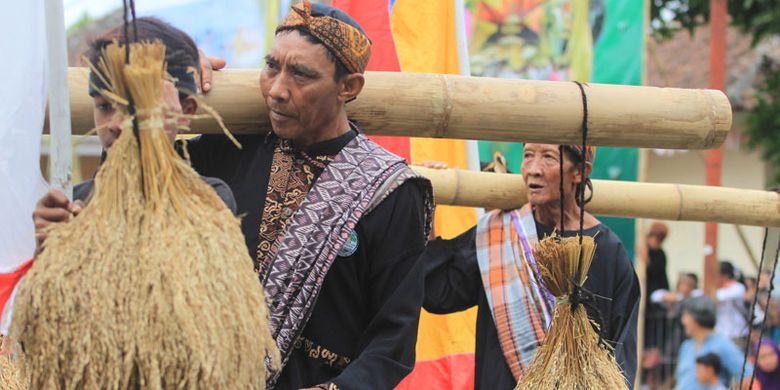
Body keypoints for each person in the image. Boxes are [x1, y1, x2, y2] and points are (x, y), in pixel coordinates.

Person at [184, 2, 434, 388]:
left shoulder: (391, 192)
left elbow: (392, 343)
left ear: (348, 87)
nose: (278, 90)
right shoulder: (231, 149)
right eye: (272, 66)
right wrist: (171, 79)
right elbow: (136, 180)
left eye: (300, 74)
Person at [422, 143, 640, 389]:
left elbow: (622, 352)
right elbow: (438, 291)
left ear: (580, 171)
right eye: (528, 156)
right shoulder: (499, 234)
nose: (533, 169)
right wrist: (428, 203)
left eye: (548, 157)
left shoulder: (608, 250)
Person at [31, 17, 237, 254]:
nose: (116, 124)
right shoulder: (72, 201)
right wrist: (47, 253)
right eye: (104, 107)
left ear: (184, 111)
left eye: (136, 107)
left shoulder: (207, 199)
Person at [675, 296, 753, 390]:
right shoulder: (686, 346)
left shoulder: (722, 344)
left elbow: (748, 375)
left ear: (697, 317)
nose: (683, 321)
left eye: (685, 315)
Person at [716, 261, 751, 346]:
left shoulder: (738, 287)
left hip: (737, 333)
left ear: (726, 275)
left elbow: (718, 297)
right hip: (720, 332)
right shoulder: (717, 289)